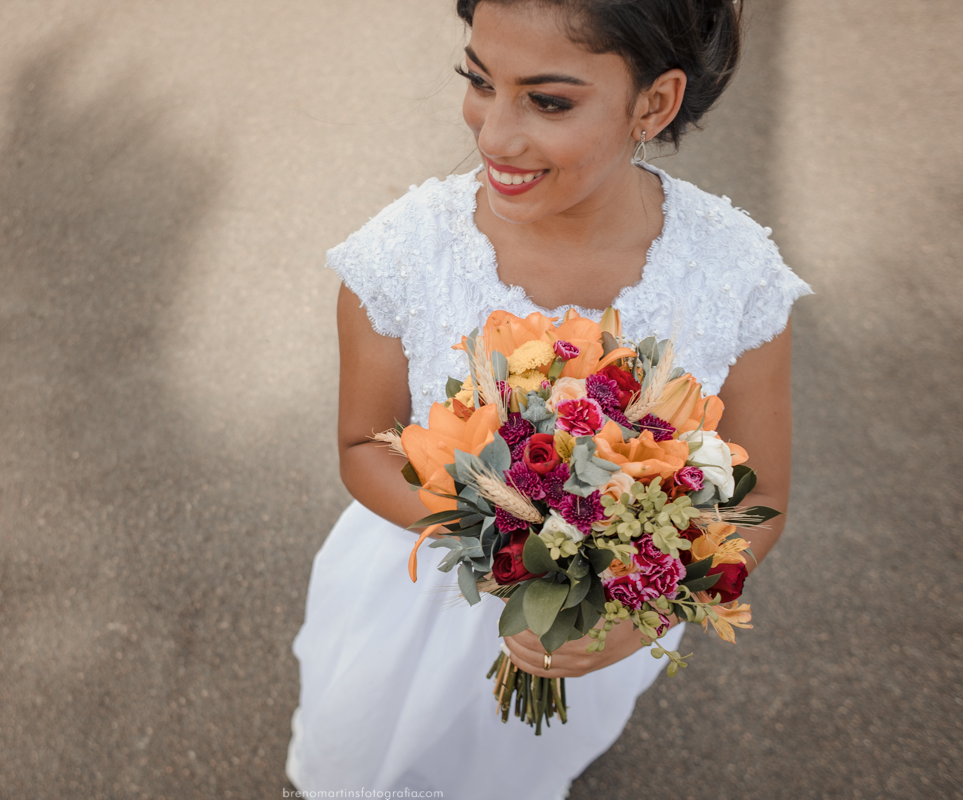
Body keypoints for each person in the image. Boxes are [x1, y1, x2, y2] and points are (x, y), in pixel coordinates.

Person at [287, 1, 811, 797]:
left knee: (511, 766)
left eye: (549, 101)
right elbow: (363, 446)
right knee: (363, 744)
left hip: (586, 638)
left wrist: (642, 608)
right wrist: (505, 539)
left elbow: (759, 497)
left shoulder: (735, 277)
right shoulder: (402, 255)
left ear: (654, 103)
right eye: (478, 79)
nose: (494, 134)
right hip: (411, 594)